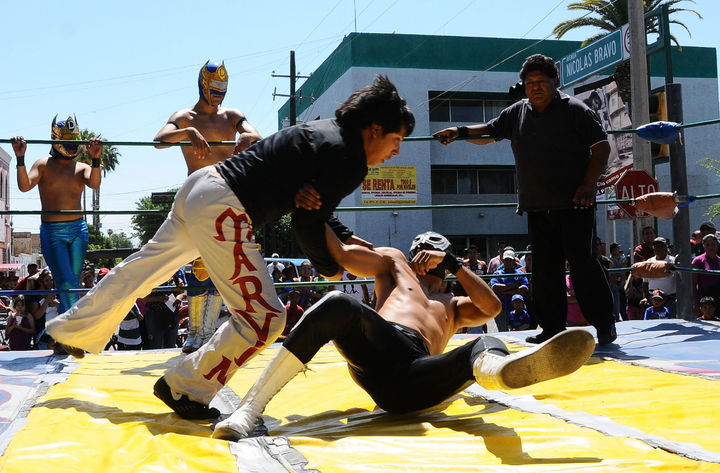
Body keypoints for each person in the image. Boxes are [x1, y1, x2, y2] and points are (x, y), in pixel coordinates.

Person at [47, 75, 415, 420]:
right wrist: (332, 267)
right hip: (226, 207)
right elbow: (307, 222)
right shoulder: (350, 159)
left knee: (144, 268)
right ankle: (184, 388)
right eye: (396, 141)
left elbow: (313, 198)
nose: (394, 153)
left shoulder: (324, 132)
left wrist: (344, 236)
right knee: (266, 319)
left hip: (202, 185)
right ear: (376, 129)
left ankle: (71, 330)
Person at [212, 229, 595, 440]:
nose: (430, 258)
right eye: (426, 252)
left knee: (483, 342)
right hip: (381, 349)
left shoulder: (454, 304)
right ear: (414, 253)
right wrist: (317, 214)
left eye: (438, 254)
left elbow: (492, 308)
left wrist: (456, 265)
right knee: (336, 304)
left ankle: (502, 372)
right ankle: (250, 410)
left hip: (420, 382)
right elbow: (344, 256)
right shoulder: (395, 266)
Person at [434, 54, 616, 345]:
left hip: (575, 205)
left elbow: (602, 148)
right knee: (545, 271)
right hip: (537, 207)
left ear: (555, 81)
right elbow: (490, 131)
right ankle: (552, 328)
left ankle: (605, 326)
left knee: (583, 265)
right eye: (529, 83)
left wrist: (587, 186)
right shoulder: (517, 112)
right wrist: (459, 132)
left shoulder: (575, 110)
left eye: (541, 82)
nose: (535, 87)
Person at [154, 61, 262, 354]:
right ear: (203, 85)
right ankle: (194, 332)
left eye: (223, 90)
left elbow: (257, 137)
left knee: (220, 266)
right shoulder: (184, 116)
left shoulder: (233, 116)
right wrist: (188, 132)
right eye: (215, 89)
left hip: (227, 197)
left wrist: (246, 137)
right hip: (197, 198)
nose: (219, 95)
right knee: (198, 266)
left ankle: (208, 332)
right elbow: (160, 140)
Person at [11, 117, 103, 314]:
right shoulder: (43, 164)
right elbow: (25, 186)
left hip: (78, 230)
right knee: (66, 282)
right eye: (68, 142)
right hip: (53, 232)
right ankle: (71, 330)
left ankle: (66, 332)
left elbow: (94, 183)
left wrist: (95, 159)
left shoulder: (81, 167)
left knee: (72, 280)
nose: (72, 147)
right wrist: (20, 158)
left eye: (74, 142)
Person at [489, 248, 529, 332]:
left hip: (517, 308)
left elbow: (524, 288)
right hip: (501, 308)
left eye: (510, 260)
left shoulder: (520, 273)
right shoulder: (497, 274)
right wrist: (514, 286)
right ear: (503, 260)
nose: (508, 262)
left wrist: (505, 291)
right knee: (503, 331)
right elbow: (495, 287)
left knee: (519, 331)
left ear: (514, 261)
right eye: (506, 260)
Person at [641, 237, 677, 315]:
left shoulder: (673, 261)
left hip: (670, 299)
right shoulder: (649, 262)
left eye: (661, 246)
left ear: (666, 247)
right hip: (653, 299)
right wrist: (645, 297)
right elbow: (645, 282)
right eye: (656, 246)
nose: (658, 248)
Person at [691, 233, 720, 316]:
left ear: (717, 245)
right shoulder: (697, 261)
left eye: (713, 244)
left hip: (717, 300)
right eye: (707, 245)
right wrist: (695, 305)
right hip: (704, 302)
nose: (711, 247)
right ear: (703, 246)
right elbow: (693, 284)